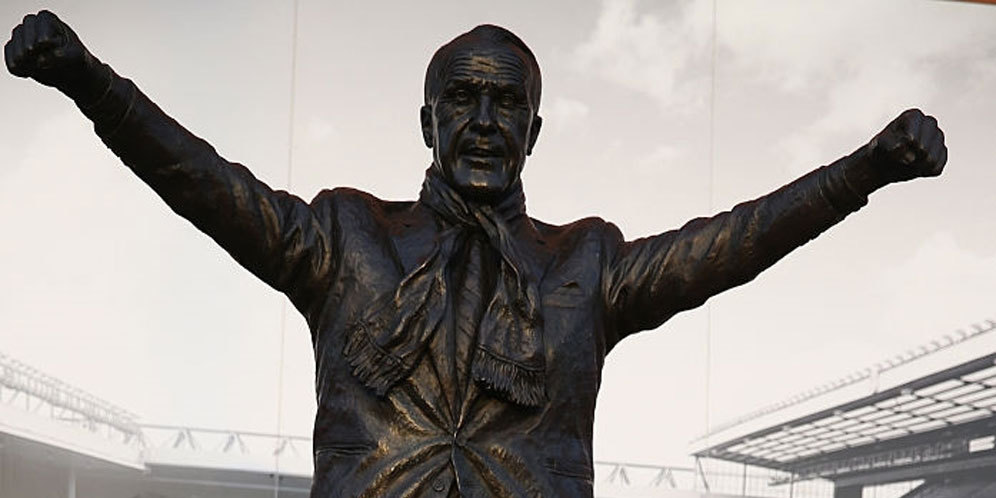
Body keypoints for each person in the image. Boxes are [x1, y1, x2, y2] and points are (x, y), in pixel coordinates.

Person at [5, 11, 946, 497]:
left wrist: (866, 169)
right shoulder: (344, 237)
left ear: (536, 131)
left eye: (506, 105)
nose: (485, 122)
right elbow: (203, 180)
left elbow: (735, 242)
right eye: (464, 100)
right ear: (427, 120)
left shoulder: (587, 264)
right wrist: (89, 80)